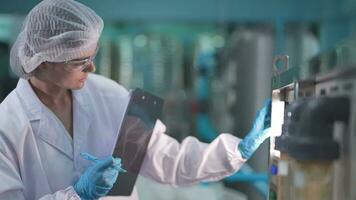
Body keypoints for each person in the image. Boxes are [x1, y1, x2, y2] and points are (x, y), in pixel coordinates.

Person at [0, 0, 272, 199]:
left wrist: (239, 150)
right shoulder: (6, 127)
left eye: (93, 56)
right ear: (44, 62)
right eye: (81, 61)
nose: (92, 69)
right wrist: (78, 195)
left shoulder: (111, 96)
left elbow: (170, 160)